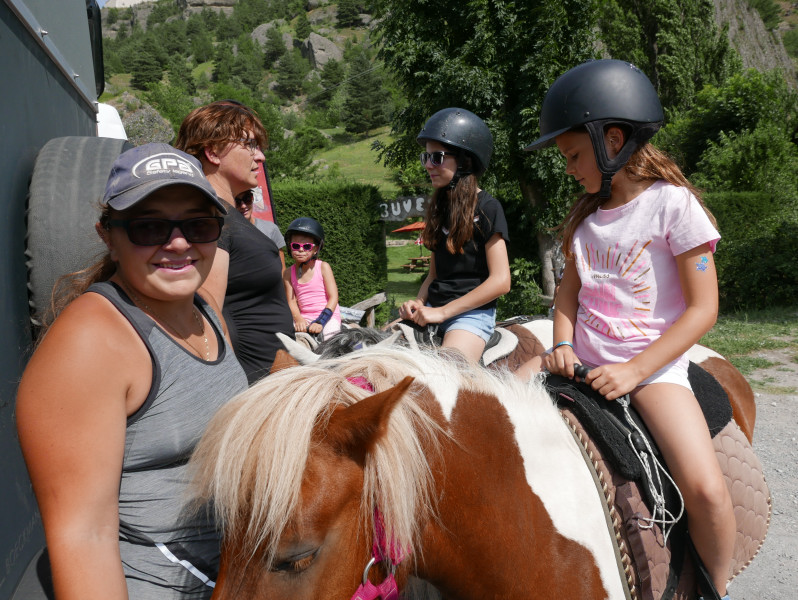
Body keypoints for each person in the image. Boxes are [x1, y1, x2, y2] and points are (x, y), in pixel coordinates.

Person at [520, 59, 735, 600]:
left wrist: (636, 370)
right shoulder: (586, 221)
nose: (567, 168)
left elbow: (703, 308)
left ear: (612, 139)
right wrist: (562, 343)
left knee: (707, 489)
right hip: (583, 355)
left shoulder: (674, 205)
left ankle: (720, 587)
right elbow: (567, 297)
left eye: (573, 154)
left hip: (650, 367)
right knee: (493, 395)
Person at [16, 143, 249, 599]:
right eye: (149, 227)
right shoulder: (91, 342)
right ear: (108, 235)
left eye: (199, 224)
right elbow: (84, 539)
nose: (179, 242)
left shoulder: (204, 309)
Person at [175, 100, 294, 384]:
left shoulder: (226, 216)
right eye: (250, 145)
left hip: (271, 379)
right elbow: (207, 316)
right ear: (213, 152)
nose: (261, 157)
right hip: (252, 384)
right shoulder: (211, 219)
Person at [398, 107, 511, 363]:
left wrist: (443, 312)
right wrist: (418, 302)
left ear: (465, 161)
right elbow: (434, 275)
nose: (428, 165)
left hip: (471, 315)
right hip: (433, 308)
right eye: (425, 157)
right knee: (371, 352)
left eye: (436, 157)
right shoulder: (439, 208)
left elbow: (501, 281)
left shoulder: (488, 208)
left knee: (447, 371)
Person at [282, 217, 342, 340]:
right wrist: (298, 319)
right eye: (295, 246)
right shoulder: (288, 273)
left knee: (329, 340)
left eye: (307, 246)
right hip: (305, 317)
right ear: (290, 247)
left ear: (315, 249)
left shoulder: (323, 267)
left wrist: (321, 321)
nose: (301, 250)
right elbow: (292, 301)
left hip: (329, 317)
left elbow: (333, 297)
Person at [234, 188, 286, 271]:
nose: (243, 206)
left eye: (247, 199)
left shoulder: (271, 228)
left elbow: (282, 267)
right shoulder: (227, 233)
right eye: (237, 202)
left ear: (252, 198)